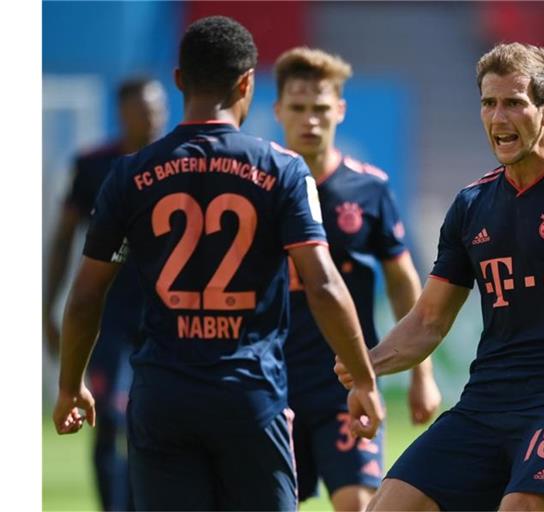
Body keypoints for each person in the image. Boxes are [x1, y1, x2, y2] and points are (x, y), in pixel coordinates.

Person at [51, 16, 384, 511]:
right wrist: (363, 380)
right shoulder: (283, 170)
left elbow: (85, 295)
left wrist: (70, 385)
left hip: (162, 396)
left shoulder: (128, 175)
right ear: (248, 82)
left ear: (180, 80)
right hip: (248, 396)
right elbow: (324, 286)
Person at [335, 42, 544, 511]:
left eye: (513, 103)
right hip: (485, 403)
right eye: (489, 103)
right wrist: (368, 365)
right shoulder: (471, 205)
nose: (497, 117)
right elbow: (428, 320)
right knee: (389, 505)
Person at [273, 47, 442, 510]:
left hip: (346, 378)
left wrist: (420, 374)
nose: (310, 120)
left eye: (321, 108)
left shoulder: (368, 188)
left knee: (359, 503)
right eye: (299, 108)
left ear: (340, 110)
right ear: (278, 110)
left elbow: (402, 280)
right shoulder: (259, 185)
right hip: (271, 382)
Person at [43, 76, 167, 511]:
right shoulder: (94, 166)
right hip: (108, 319)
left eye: (156, 109)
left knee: (148, 423)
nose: (150, 118)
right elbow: (63, 239)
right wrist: (47, 309)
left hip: (164, 318)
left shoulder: (180, 165)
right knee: (108, 416)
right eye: (141, 110)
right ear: (122, 114)